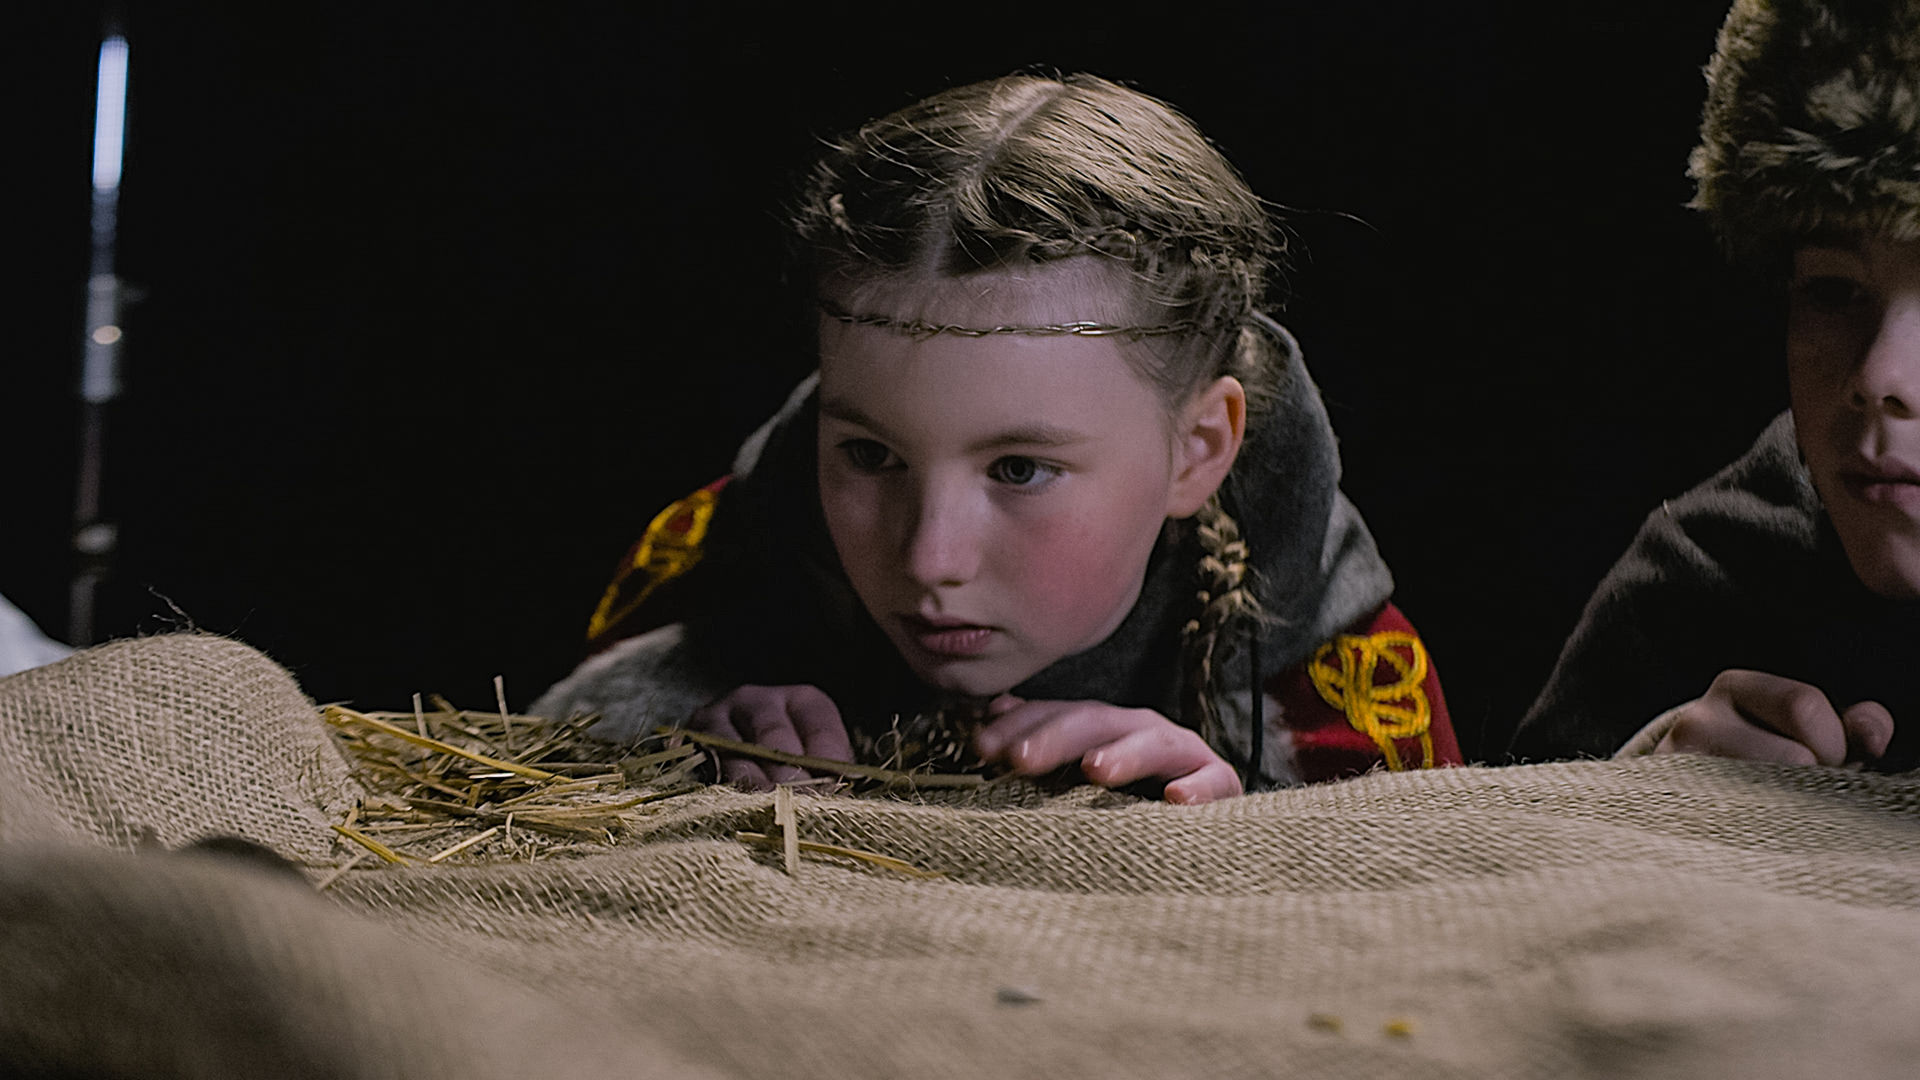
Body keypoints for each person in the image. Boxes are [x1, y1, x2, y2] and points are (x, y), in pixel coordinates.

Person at [535, 72, 1461, 801]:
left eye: (1019, 468)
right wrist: (669, 757)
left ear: (1199, 450)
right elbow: (529, 789)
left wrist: (1237, 841)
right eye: (871, 455)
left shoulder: (1349, 687)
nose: (929, 559)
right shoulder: (706, 570)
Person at [1509, 0, 1920, 771]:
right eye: (1833, 290)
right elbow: (1502, 838)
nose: (1878, 378)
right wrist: (1632, 790)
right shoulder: (1702, 586)